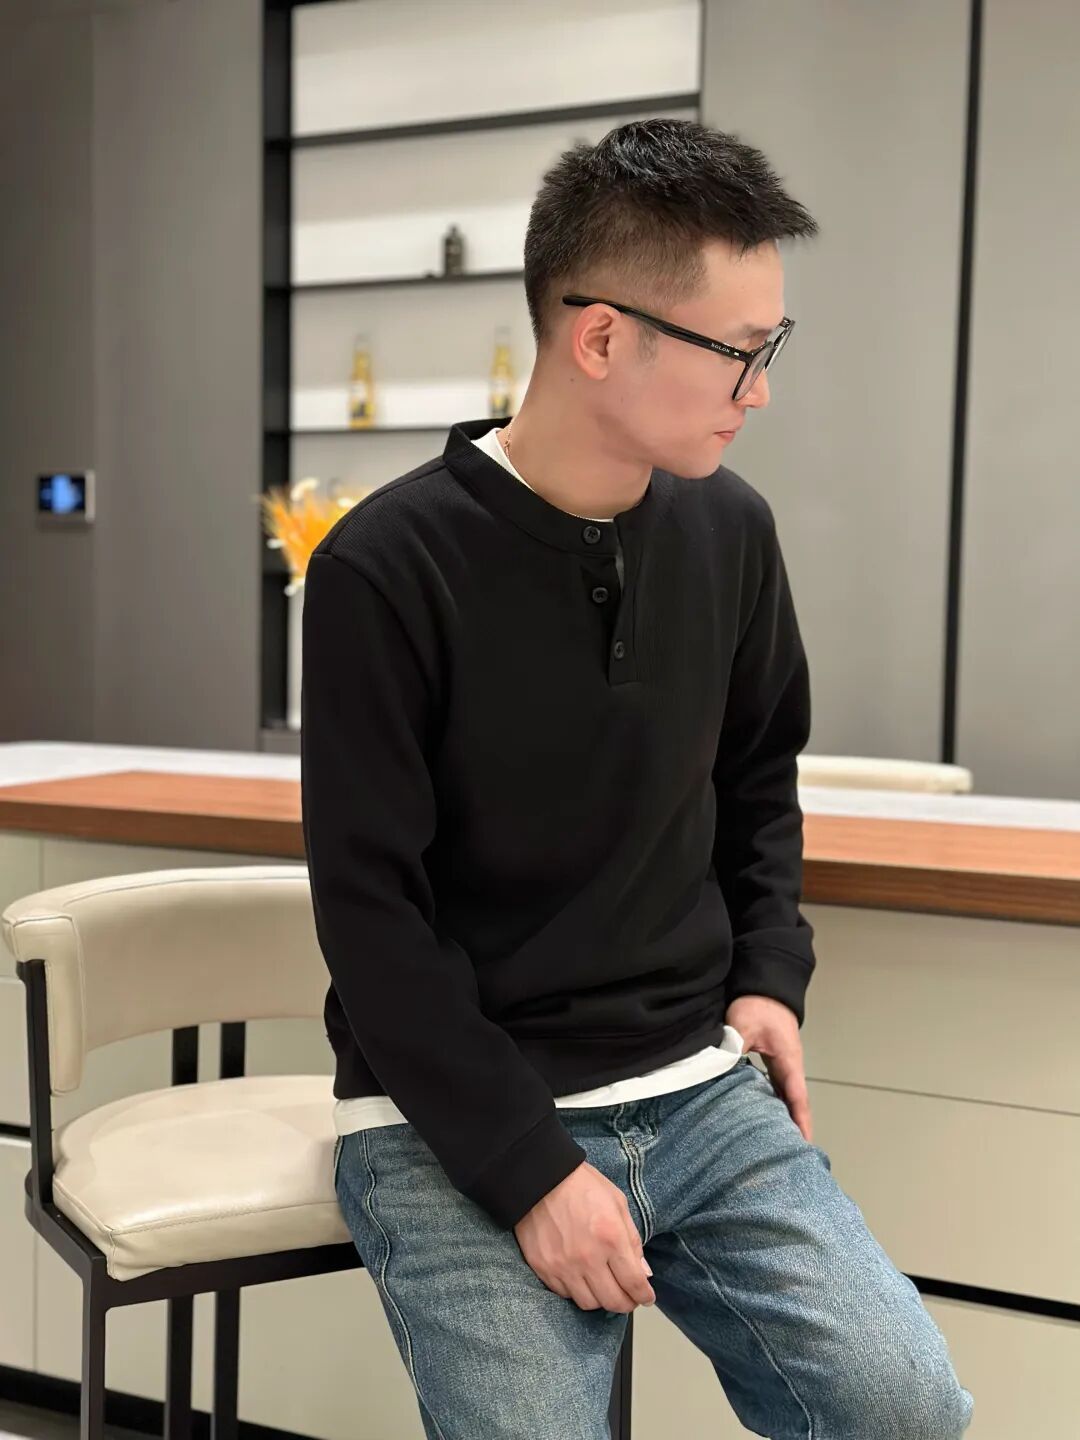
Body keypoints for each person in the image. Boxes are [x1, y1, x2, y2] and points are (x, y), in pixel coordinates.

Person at [300, 119, 974, 1439]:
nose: (759, 391)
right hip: (454, 1112)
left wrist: (768, 975)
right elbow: (371, 916)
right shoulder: (386, 567)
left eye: (772, 347)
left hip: (697, 1085)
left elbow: (758, 780)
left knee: (906, 1410)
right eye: (740, 351)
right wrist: (530, 1171)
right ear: (601, 338)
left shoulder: (732, 530)